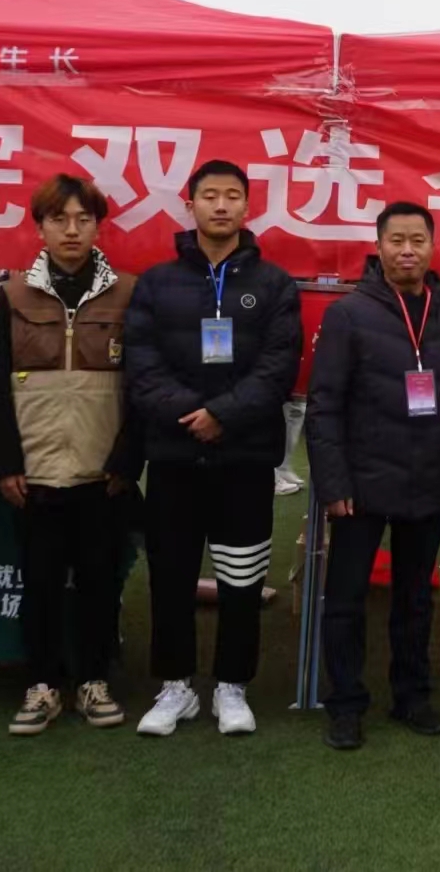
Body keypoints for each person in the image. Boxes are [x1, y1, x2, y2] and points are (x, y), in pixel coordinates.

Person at [127, 160, 301, 737]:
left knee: (242, 579)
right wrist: (192, 416)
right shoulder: (156, 282)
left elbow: (279, 365)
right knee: (170, 577)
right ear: (190, 205)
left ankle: (232, 685)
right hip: (174, 458)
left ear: (247, 207)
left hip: (244, 459)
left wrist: (224, 415)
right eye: (209, 196)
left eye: (231, 196)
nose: (221, 205)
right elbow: (142, 364)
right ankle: (175, 686)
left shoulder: (274, 284)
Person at [0, 175, 141, 736]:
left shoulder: (128, 294)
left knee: (100, 583)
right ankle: (42, 684)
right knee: (40, 584)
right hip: (36, 473)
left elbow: (141, 386)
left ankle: (94, 681)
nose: (72, 230)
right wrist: (6, 464)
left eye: (83, 219)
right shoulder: (13, 295)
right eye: (59, 219)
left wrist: (126, 461)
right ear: (40, 227)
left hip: (102, 474)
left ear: (98, 227)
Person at [307, 203, 440, 751]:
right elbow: (324, 404)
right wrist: (333, 484)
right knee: (346, 599)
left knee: (415, 598)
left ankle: (412, 696)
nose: (407, 250)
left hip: (428, 477)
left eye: (417, 240)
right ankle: (345, 703)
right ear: (378, 247)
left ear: (432, 246)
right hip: (362, 482)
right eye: (396, 240)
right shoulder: (349, 314)